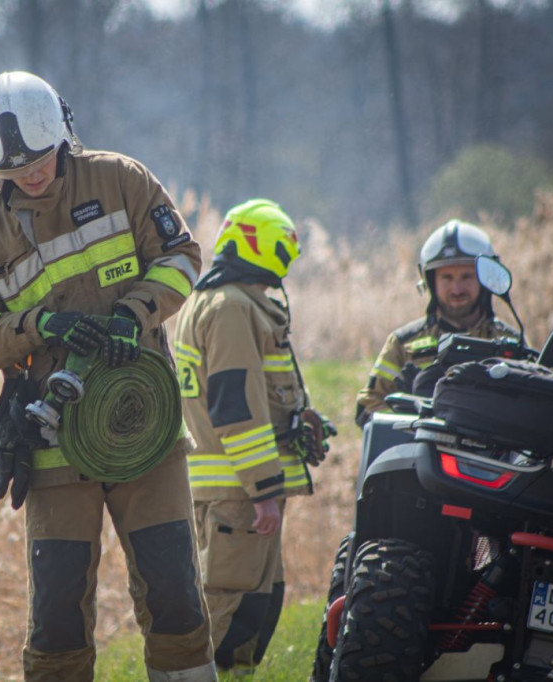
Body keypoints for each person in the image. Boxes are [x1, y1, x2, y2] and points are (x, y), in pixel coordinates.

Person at [0, 71, 216, 682]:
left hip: (146, 431)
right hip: (52, 448)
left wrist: (132, 315)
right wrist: (41, 326)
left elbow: (182, 256)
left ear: (63, 132)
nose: (32, 174)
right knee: (57, 617)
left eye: (40, 158)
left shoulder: (121, 179)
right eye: (12, 169)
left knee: (174, 597)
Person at [174, 199, 333, 679]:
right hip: (239, 494)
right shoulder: (232, 308)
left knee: (250, 612)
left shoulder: (220, 300)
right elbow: (236, 409)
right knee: (227, 613)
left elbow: (249, 393)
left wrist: (296, 418)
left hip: (233, 491)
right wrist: (264, 490)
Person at [354, 219, 517, 427]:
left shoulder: (510, 342)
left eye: (466, 276)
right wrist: (411, 421)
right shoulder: (403, 345)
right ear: (431, 281)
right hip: (421, 456)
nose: (457, 288)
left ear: (484, 279)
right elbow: (368, 406)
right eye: (447, 278)